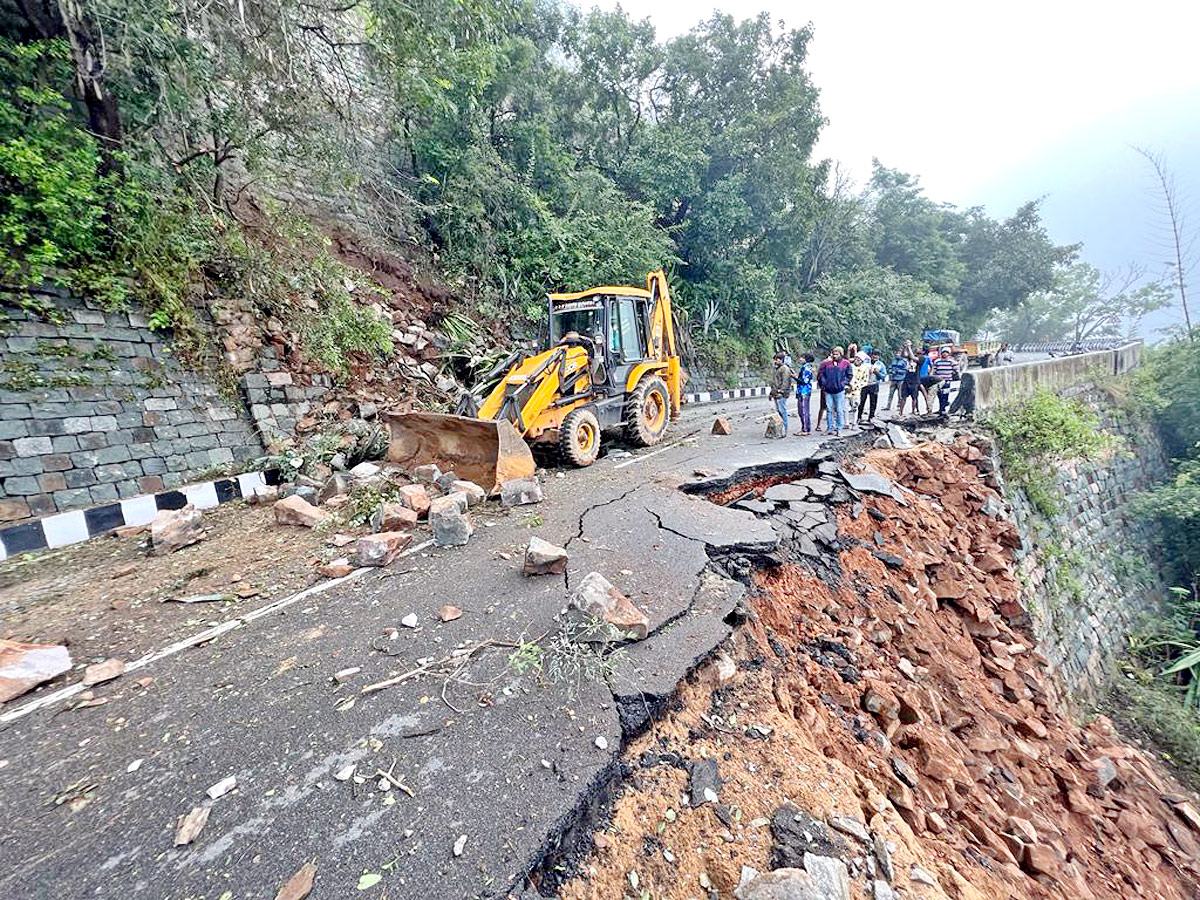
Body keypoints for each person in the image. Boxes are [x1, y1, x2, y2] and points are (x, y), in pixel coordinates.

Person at [818, 345, 852, 435]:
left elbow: (849, 375)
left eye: (836, 354)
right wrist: (824, 384)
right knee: (829, 409)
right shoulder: (826, 364)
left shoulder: (846, 364)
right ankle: (830, 428)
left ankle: (839, 428)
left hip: (839, 390)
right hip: (828, 390)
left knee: (839, 410)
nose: (834, 356)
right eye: (833, 354)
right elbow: (821, 374)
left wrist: (843, 383)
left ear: (841, 354)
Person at [769, 351, 796, 436]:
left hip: (781, 394)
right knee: (779, 412)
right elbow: (774, 382)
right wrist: (771, 393)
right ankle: (780, 429)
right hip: (776, 393)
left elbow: (786, 382)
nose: (776, 361)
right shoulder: (777, 369)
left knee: (782, 411)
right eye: (775, 360)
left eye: (778, 360)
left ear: (782, 360)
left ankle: (784, 429)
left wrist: (781, 392)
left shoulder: (785, 369)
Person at [859, 349, 886, 423]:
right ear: (871, 355)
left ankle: (871, 417)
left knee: (873, 402)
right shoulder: (866, 362)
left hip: (874, 384)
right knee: (862, 402)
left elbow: (884, 376)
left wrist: (878, 373)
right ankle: (859, 417)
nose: (875, 356)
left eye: (877, 355)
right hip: (864, 384)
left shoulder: (880, 364)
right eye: (874, 355)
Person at [932, 345, 959, 413]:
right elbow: (934, 371)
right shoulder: (937, 361)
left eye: (946, 352)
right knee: (939, 395)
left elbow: (956, 370)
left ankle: (943, 409)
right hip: (938, 381)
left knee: (945, 395)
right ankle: (941, 408)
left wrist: (953, 373)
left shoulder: (951, 362)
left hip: (947, 381)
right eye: (943, 352)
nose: (944, 354)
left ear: (948, 354)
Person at [796, 353, 816, 434]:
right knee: (802, 411)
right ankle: (804, 428)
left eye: (802, 357)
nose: (800, 359)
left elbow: (804, 381)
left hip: (804, 391)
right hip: (802, 391)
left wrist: (794, 377)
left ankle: (805, 429)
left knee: (804, 411)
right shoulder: (805, 367)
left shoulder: (806, 368)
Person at [899, 348, 921, 417]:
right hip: (907, 380)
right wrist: (904, 347)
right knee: (903, 397)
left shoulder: (921, 358)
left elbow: (913, 358)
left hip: (914, 381)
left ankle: (913, 411)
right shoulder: (909, 358)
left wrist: (908, 347)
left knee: (914, 397)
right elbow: (903, 355)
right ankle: (900, 412)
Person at [849, 351, 870, 422]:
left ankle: (854, 422)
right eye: (856, 358)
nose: (857, 360)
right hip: (847, 389)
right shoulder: (849, 366)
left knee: (855, 407)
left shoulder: (865, 368)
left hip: (856, 391)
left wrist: (856, 387)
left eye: (859, 359)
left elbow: (865, 381)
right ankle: (846, 423)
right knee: (845, 408)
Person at [885, 347, 907, 411]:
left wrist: (898, 371)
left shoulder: (904, 361)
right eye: (897, 353)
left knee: (900, 394)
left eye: (899, 353)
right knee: (890, 394)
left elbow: (905, 370)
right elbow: (889, 368)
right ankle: (888, 406)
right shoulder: (893, 360)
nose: (897, 354)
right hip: (893, 379)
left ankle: (899, 406)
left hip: (900, 379)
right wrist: (891, 371)